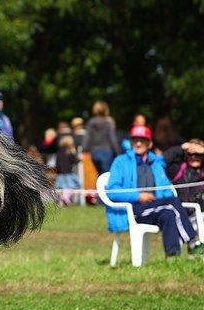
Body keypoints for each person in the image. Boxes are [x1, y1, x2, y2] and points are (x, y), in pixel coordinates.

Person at [104, 126, 202, 257]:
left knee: (168, 213)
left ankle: (173, 256)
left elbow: (166, 189)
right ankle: (193, 241)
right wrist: (138, 196)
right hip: (133, 209)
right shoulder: (121, 161)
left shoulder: (156, 163)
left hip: (157, 207)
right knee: (172, 202)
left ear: (149, 144)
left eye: (142, 140)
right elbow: (111, 191)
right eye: (135, 140)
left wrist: (184, 148)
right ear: (131, 143)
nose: (138, 144)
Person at [164, 138, 204, 209]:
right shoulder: (178, 169)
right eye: (190, 154)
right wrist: (181, 148)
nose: (193, 157)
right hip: (181, 211)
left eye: (198, 154)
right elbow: (162, 160)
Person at [85, 101, 121, 174]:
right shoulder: (109, 121)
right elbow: (112, 137)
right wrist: (118, 152)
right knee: (106, 176)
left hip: (94, 152)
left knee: (100, 175)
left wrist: (84, 149)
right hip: (107, 151)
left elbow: (87, 137)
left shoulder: (91, 122)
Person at [53, 135, 80, 206]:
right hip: (68, 173)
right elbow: (74, 161)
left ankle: (61, 201)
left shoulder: (58, 152)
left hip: (60, 174)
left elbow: (56, 163)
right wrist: (79, 158)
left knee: (61, 188)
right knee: (72, 186)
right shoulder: (69, 151)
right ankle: (66, 198)